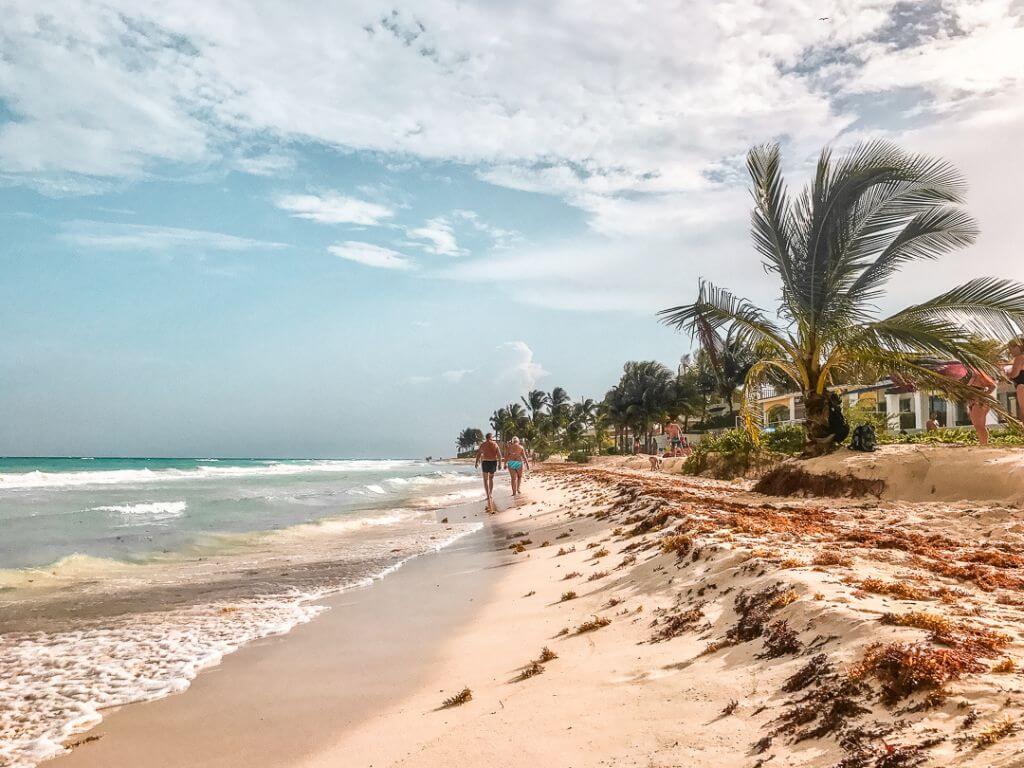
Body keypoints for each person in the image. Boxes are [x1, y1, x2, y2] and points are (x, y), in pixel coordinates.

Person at [963, 367, 997, 445]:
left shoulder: (979, 373)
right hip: (972, 403)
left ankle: (984, 444)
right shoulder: (967, 374)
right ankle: (983, 444)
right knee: (978, 426)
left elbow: (992, 386)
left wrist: (981, 396)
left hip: (979, 402)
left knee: (980, 426)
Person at [474, 433, 503, 508]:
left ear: (486, 437)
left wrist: (476, 462)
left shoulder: (483, 444)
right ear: (491, 437)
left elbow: (479, 454)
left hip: (485, 462)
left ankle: (488, 495)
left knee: (485, 479)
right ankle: (490, 494)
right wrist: (500, 464)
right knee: (491, 478)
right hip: (493, 462)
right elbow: (499, 455)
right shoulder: (495, 444)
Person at [1009, 340, 1024, 420]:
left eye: (1011, 348)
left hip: (1022, 386)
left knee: (1023, 412)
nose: (1010, 351)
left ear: (1018, 347)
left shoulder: (1019, 357)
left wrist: (1007, 374)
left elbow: (1014, 374)